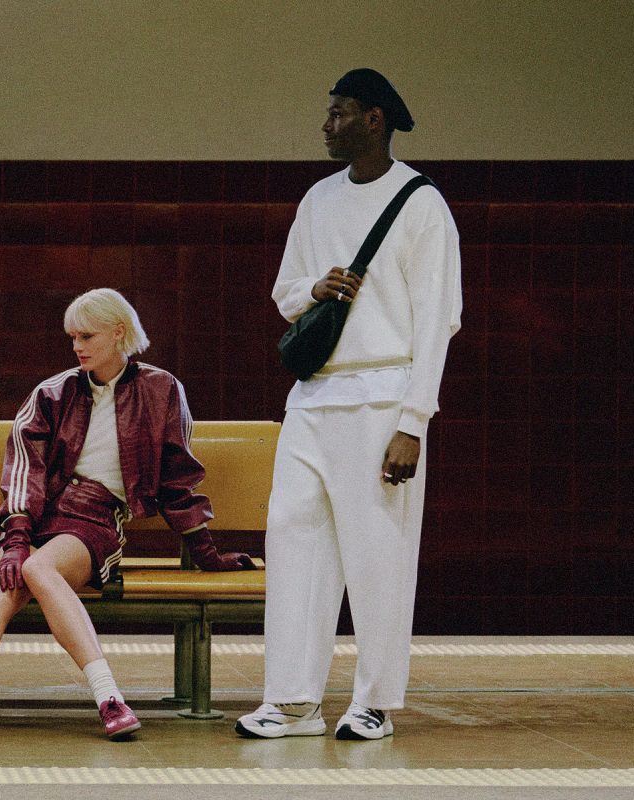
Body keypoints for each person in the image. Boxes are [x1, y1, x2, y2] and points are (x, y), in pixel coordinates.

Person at [235, 68, 462, 741]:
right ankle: (293, 700)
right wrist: (316, 288)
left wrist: (413, 422)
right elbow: (285, 292)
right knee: (294, 538)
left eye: (338, 113)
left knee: (377, 553)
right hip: (312, 396)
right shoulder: (317, 200)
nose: (325, 125)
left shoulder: (421, 203)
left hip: (384, 396)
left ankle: (374, 701)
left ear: (374, 119)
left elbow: (437, 321)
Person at [0, 288, 255, 742]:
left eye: (86, 335)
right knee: (15, 577)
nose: (76, 345)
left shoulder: (161, 390)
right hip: (38, 516)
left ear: (119, 332)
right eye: (72, 336)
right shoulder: (52, 392)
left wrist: (205, 551)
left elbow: (178, 476)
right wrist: (16, 539)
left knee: (35, 567)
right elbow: (25, 469)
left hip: (95, 519)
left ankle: (104, 694)